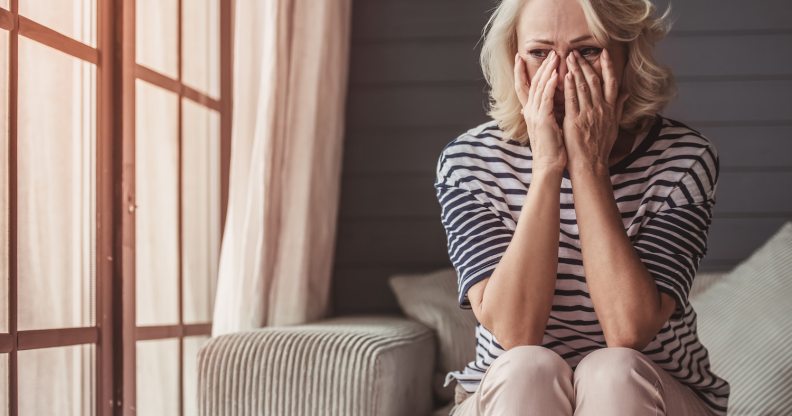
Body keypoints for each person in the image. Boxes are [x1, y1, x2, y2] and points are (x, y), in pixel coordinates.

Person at [433, 0, 731, 414]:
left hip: (655, 392)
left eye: (588, 51)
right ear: (513, 59)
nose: (561, 76)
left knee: (614, 371)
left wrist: (590, 165)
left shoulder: (683, 158)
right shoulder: (469, 160)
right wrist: (549, 168)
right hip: (506, 391)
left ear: (629, 58)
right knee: (526, 366)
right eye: (539, 54)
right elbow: (516, 332)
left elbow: (628, 331)